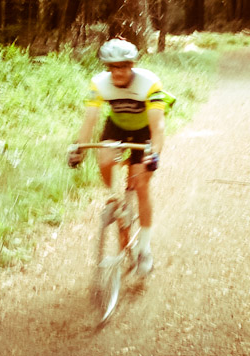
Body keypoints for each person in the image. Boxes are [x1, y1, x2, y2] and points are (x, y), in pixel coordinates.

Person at [68, 38, 166, 277]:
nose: (117, 72)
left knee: (141, 185)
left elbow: (158, 127)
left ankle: (144, 249)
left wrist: (154, 154)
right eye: (112, 67)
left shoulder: (149, 83)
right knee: (104, 160)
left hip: (143, 130)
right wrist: (79, 148)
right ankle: (117, 203)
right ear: (106, 68)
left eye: (122, 66)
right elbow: (90, 119)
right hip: (117, 126)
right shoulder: (100, 84)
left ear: (131, 65)